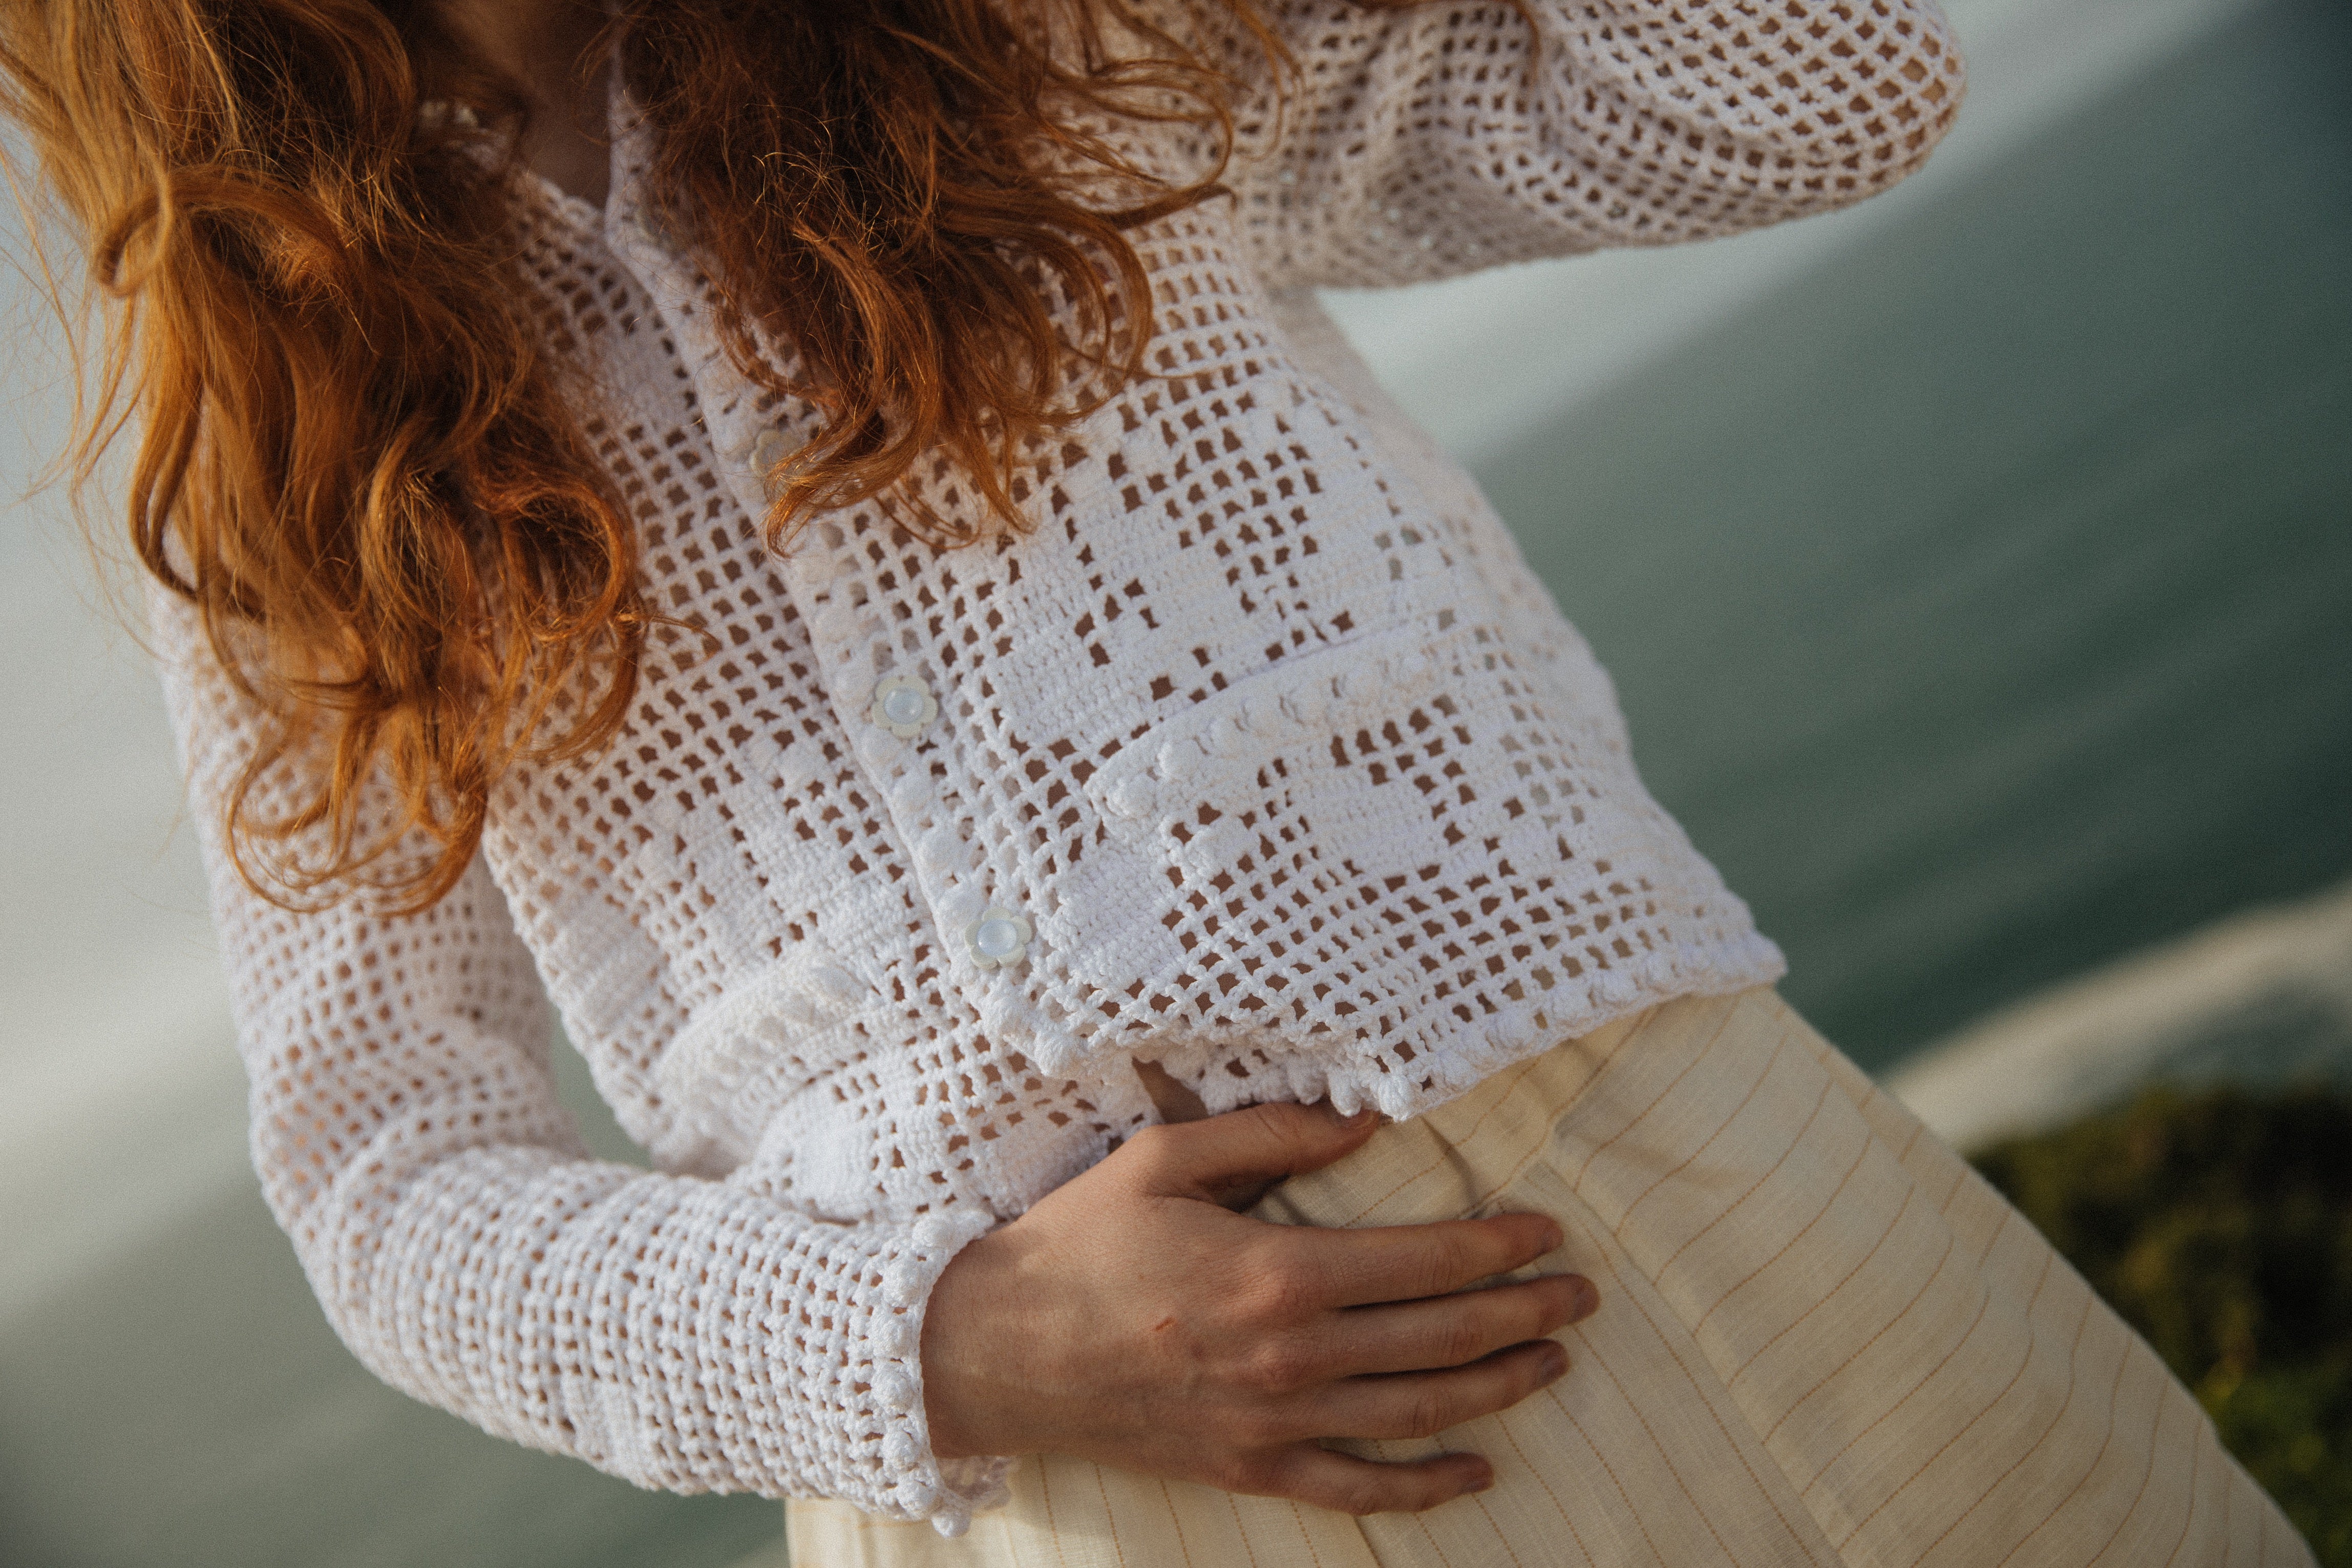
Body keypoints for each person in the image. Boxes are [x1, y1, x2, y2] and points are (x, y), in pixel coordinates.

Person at [2, 0, 2313, 1560]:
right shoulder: (289, 469)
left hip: (1685, 1240)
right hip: (1060, 1502)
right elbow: (385, 1173)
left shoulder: (1020, 45)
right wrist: (938, 1340)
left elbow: (1805, 78)